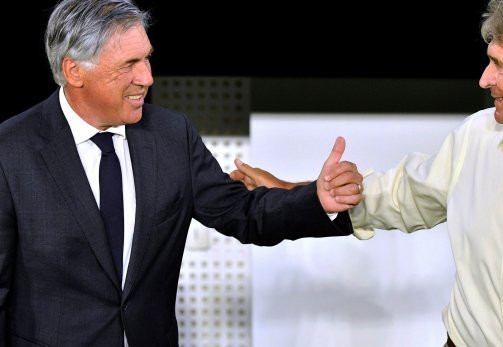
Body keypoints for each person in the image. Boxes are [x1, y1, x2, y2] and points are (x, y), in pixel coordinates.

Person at [230, 0, 503, 345]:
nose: (483, 79)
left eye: (498, 65)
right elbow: (398, 197)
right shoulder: (478, 135)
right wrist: (294, 192)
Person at [0, 0, 363, 345]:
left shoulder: (171, 135)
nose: (147, 77)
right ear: (74, 71)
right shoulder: (10, 150)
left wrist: (316, 199)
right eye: (129, 64)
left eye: (147, 59)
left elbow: (243, 212)